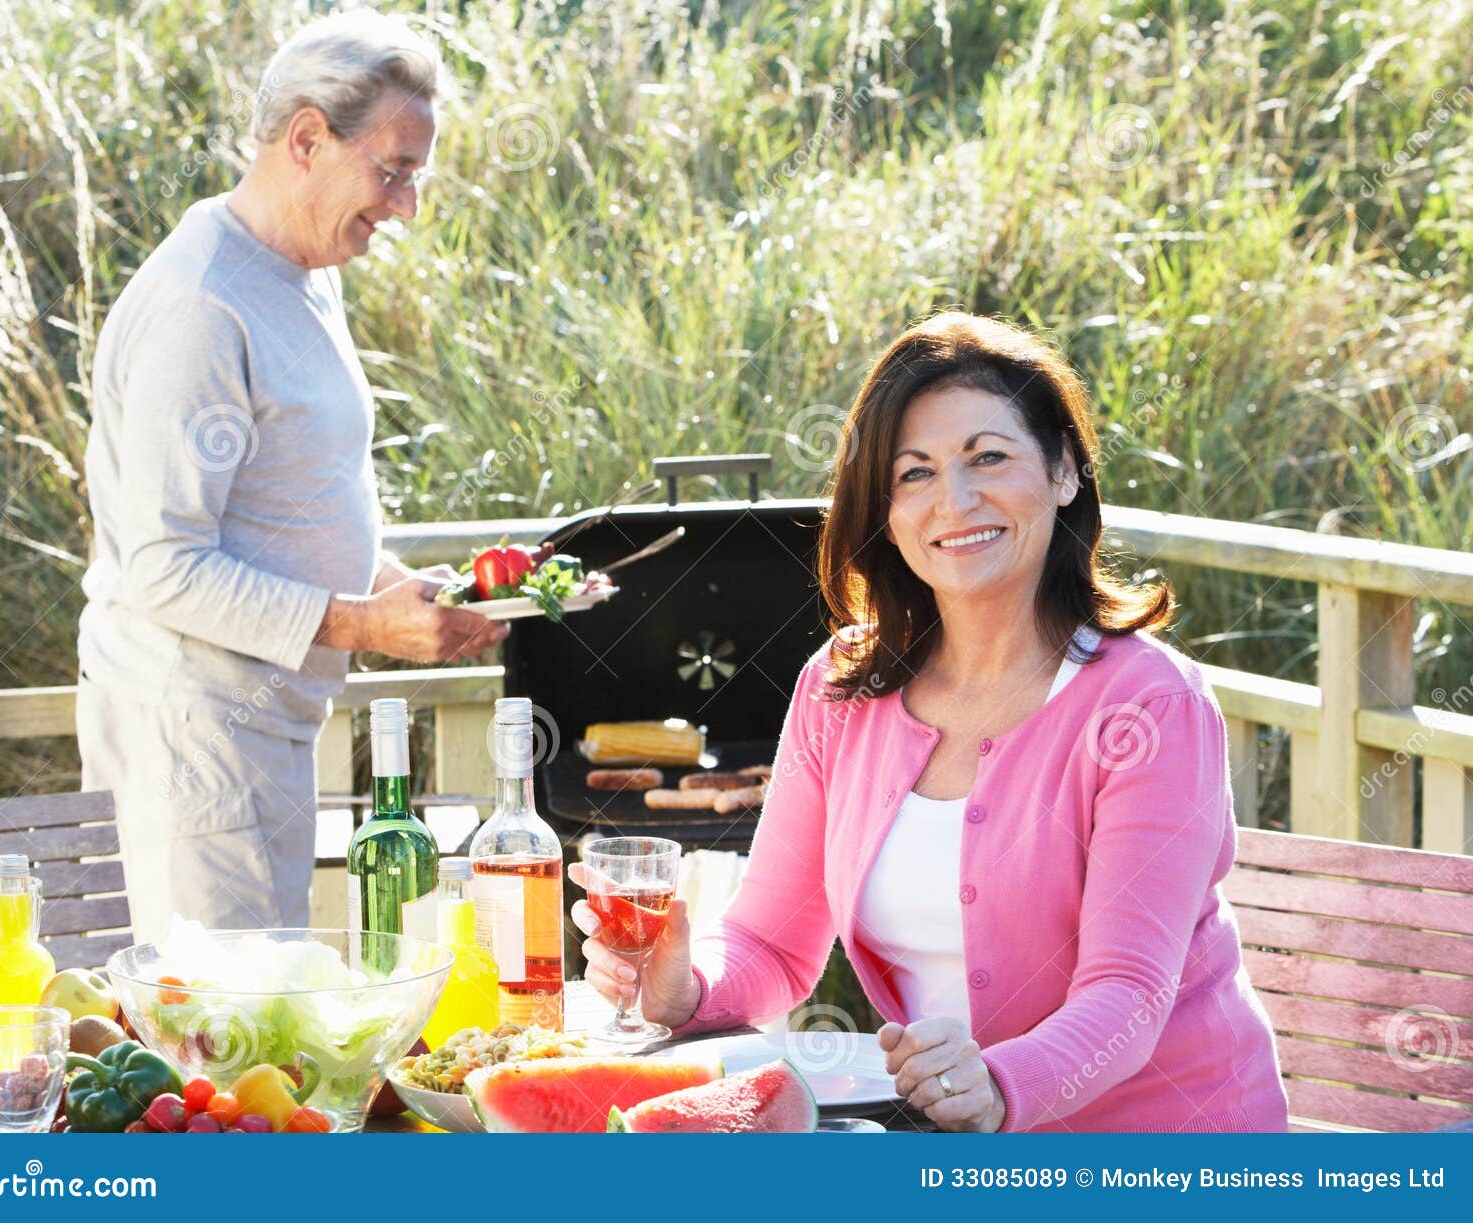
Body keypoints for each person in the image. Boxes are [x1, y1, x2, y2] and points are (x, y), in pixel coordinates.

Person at [570, 313, 1289, 1132]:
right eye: (915, 474)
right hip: (953, 1147)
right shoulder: (839, 690)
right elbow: (770, 944)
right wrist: (686, 988)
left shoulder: (1153, 707)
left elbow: (1128, 993)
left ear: (1062, 470)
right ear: (884, 508)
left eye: (988, 457)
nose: (955, 500)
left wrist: (999, 1085)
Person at [77, 11, 506, 943]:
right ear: (307, 138)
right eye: (392, 171)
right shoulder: (201, 305)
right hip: (192, 738)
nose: (406, 206)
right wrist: (363, 625)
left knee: (261, 1030)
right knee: (221, 1046)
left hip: (262, 728)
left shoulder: (302, 268)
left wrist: (398, 586)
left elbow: (291, 495)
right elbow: (162, 565)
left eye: (414, 177)